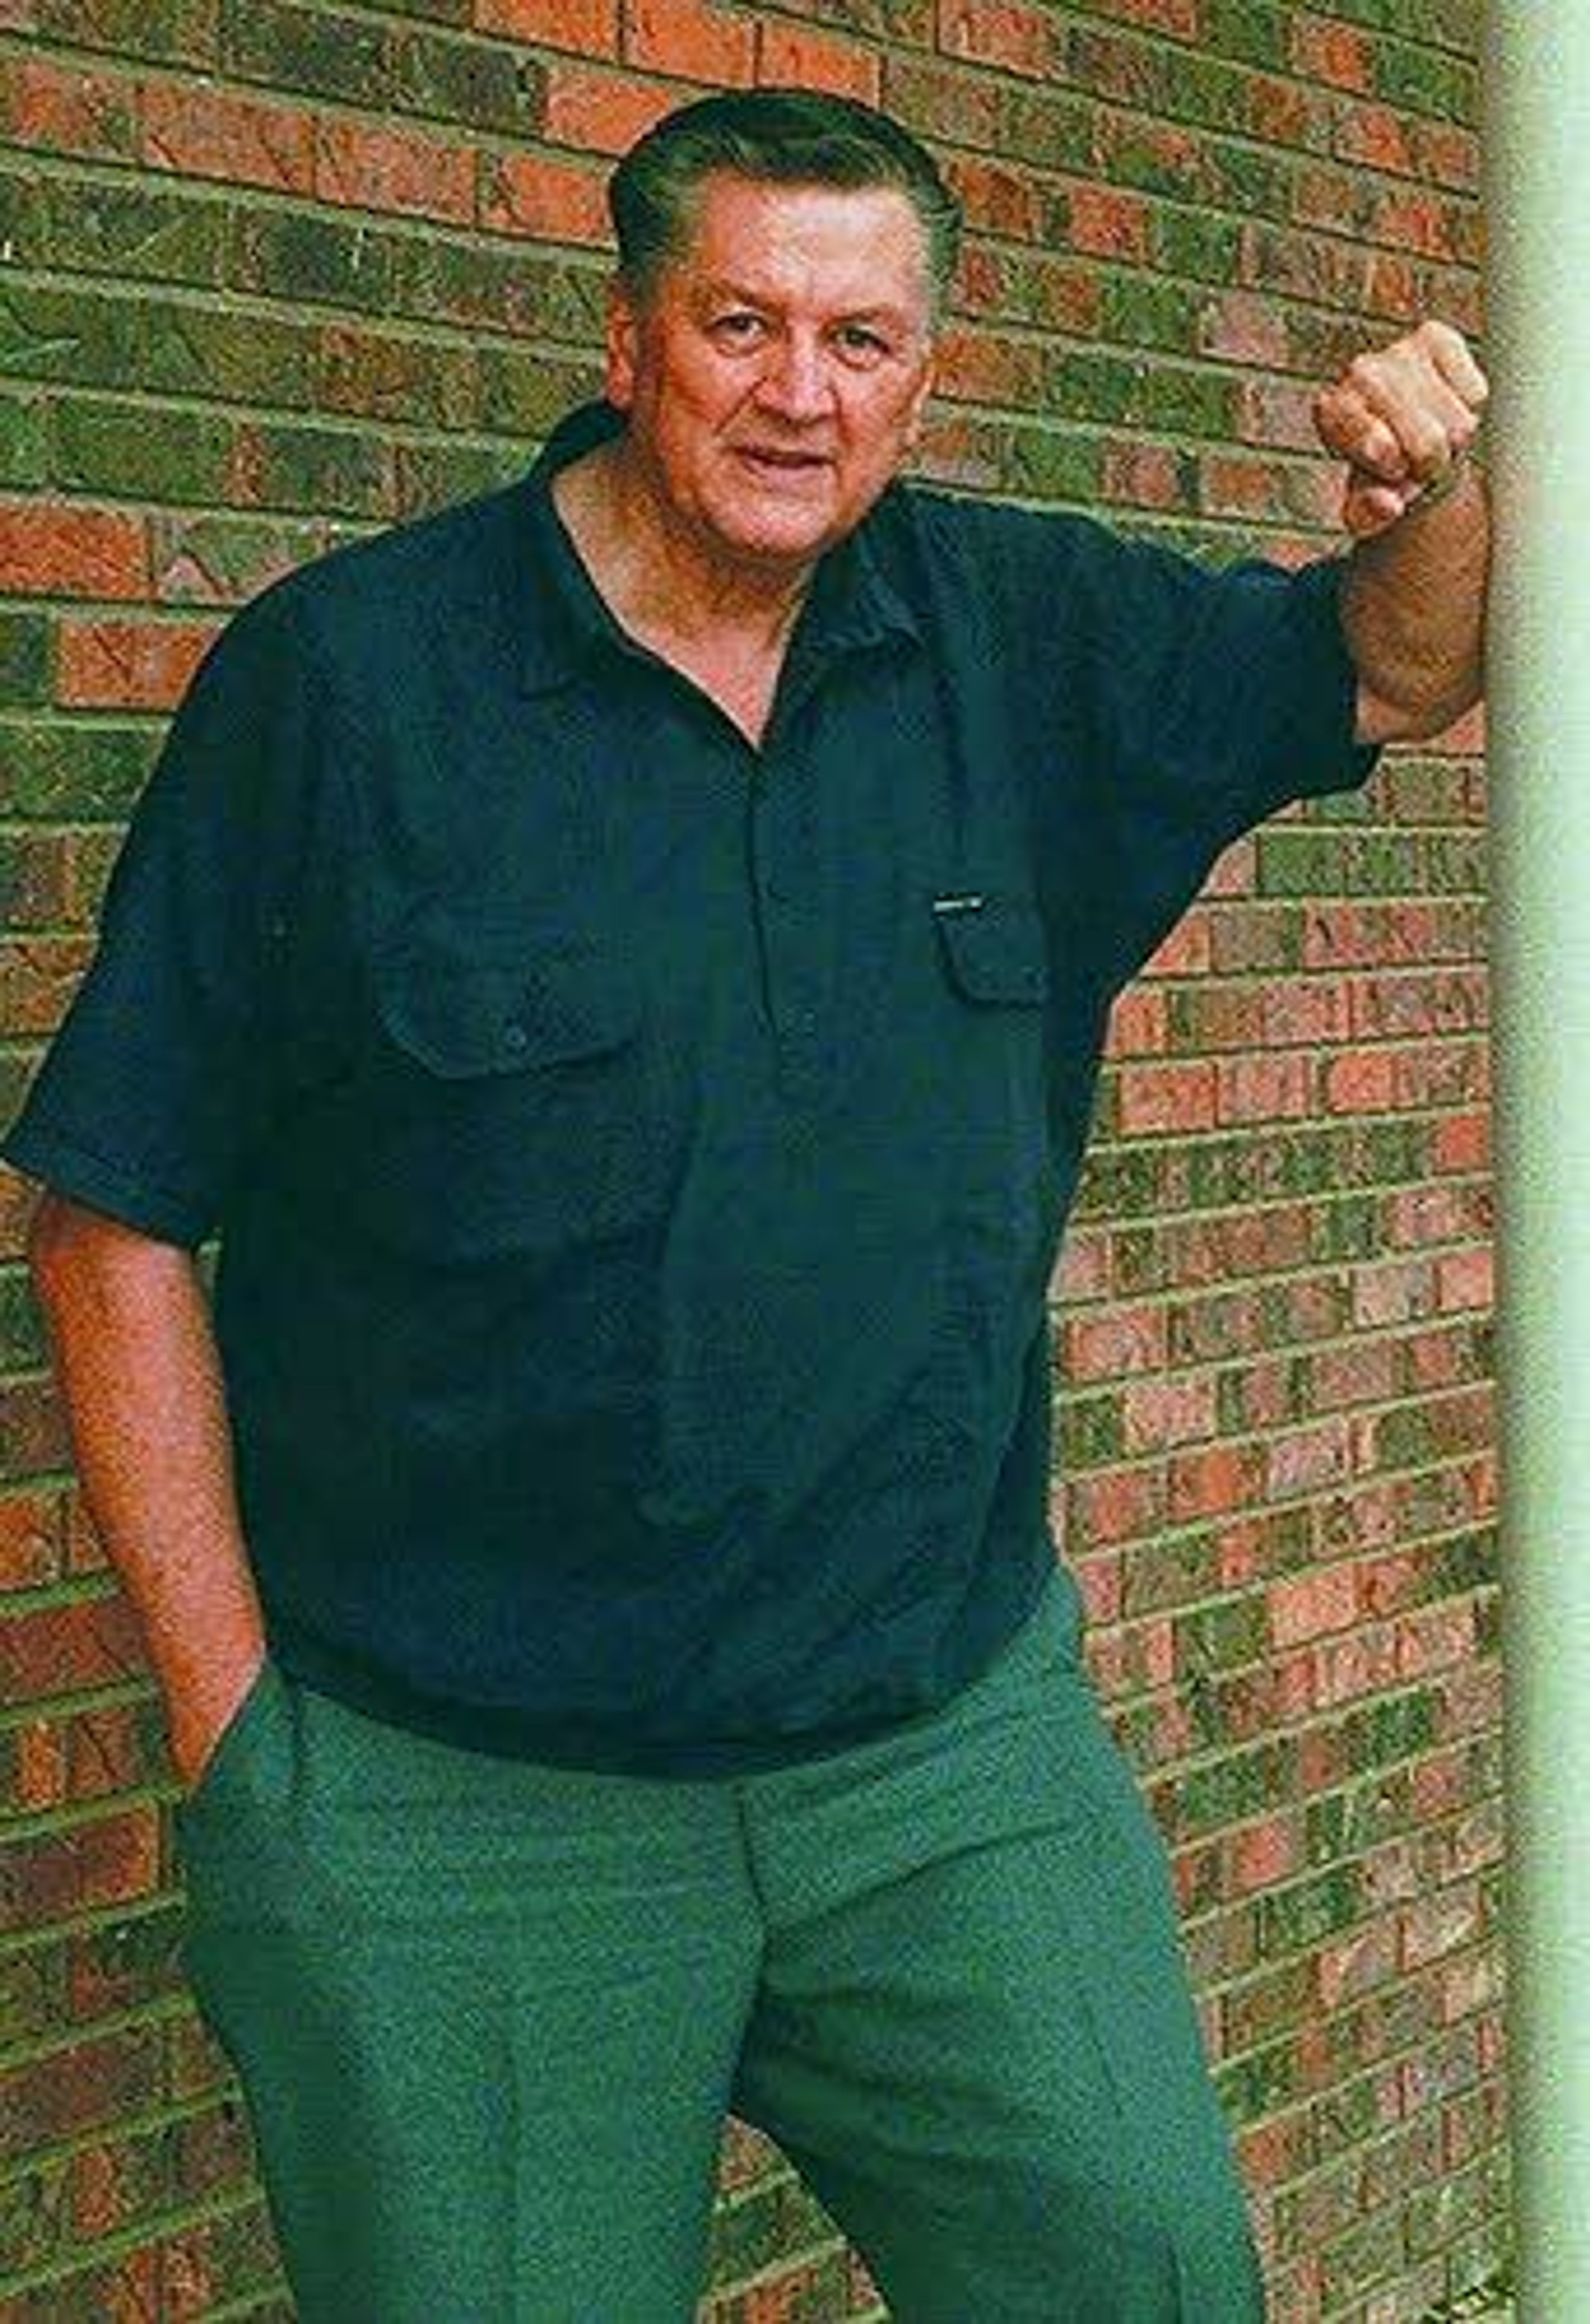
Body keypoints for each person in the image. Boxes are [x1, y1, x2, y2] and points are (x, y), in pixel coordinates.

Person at [5, 87, 1486, 2324]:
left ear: (924, 371)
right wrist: (254, 1770)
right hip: (465, 1799)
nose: (804, 391)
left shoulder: (1027, 646)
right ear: (630, 339)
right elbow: (110, 1223)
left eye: (864, 341)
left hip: (943, 1763)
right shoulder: (353, 690)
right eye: (744, 324)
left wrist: (1441, 497)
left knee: (1154, 2276)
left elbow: (1401, 658)